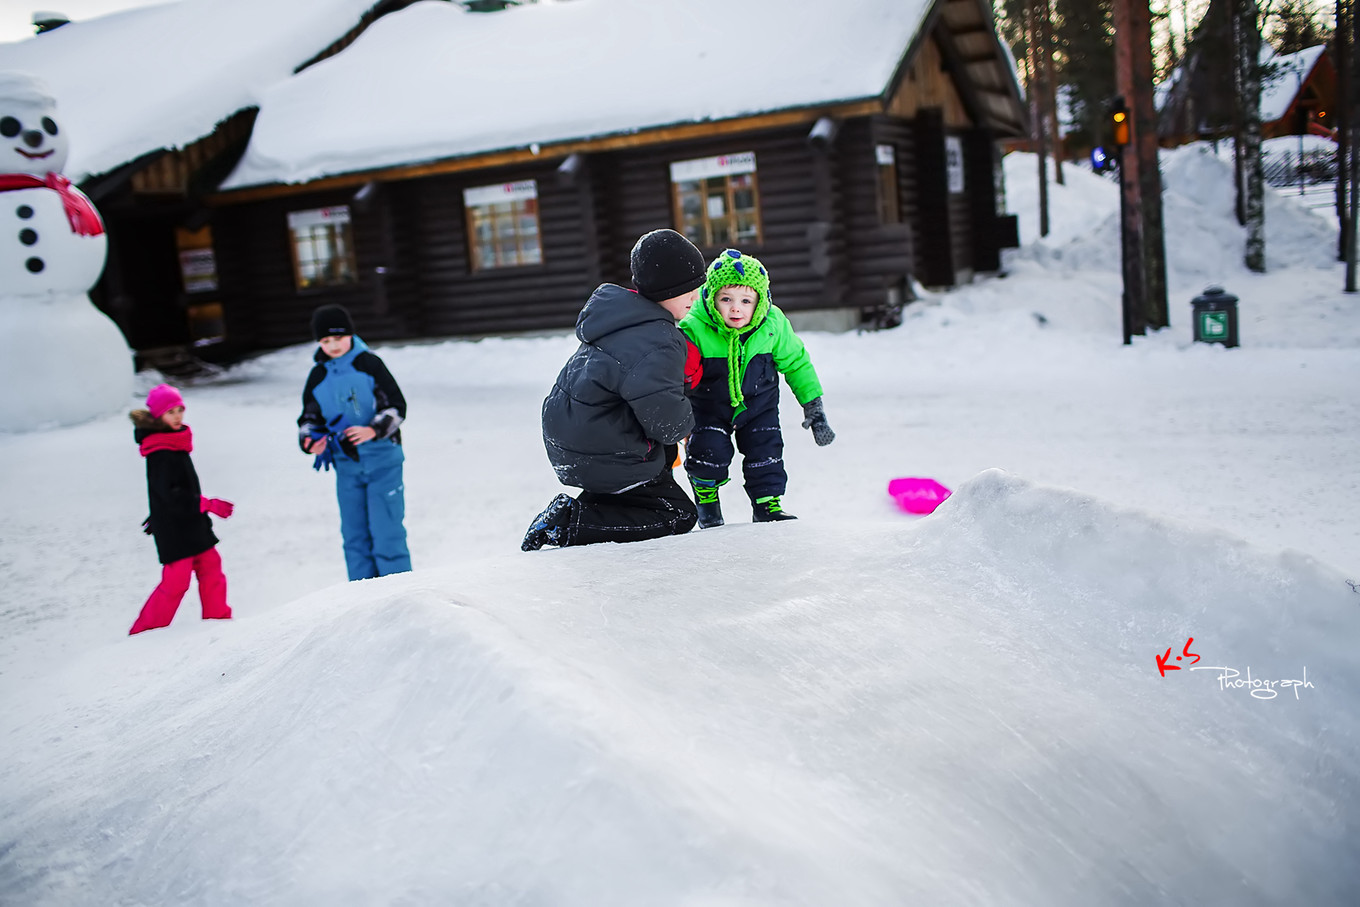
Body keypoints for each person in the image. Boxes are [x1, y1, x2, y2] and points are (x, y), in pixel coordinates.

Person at [522, 228, 706, 551]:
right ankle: (571, 522)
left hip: (575, 442)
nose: (696, 297)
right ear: (666, 290)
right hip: (605, 449)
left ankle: (597, 503)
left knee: (660, 461)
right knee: (678, 514)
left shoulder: (619, 319)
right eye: (688, 289)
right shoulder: (659, 340)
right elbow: (666, 421)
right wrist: (689, 421)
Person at [679, 248, 835, 528]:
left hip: (759, 406)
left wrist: (814, 406)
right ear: (711, 297)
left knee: (766, 451)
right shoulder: (695, 327)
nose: (735, 308)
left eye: (745, 300)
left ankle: (767, 504)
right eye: (726, 299)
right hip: (709, 406)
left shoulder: (773, 325)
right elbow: (678, 373)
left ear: (760, 301)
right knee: (707, 451)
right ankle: (706, 500)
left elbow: (797, 363)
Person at [298, 304, 412, 580]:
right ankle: (361, 596)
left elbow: (397, 407)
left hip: (383, 461)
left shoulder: (369, 364)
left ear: (350, 334)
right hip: (346, 466)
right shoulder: (318, 376)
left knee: (386, 532)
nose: (333, 345)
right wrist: (311, 441)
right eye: (325, 341)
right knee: (354, 535)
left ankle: (396, 591)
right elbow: (308, 419)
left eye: (338, 338)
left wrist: (373, 429)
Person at [128, 383, 233, 635]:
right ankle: (144, 632)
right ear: (157, 416)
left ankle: (219, 624)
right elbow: (169, 493)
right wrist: (207, 504)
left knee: (212, 570)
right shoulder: (160, 450)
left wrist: (160, 512)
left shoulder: (175, 443)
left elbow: (169, 491)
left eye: (179, 410)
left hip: (192, 523)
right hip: (176, 530)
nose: (177, 416)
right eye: (170, 412)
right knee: (176, 582)